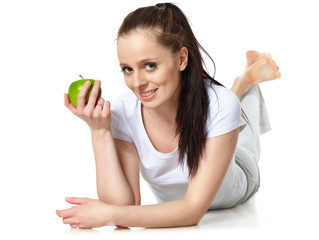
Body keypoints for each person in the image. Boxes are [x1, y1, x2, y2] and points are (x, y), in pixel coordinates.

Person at [56, 3, 281, 229]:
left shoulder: (221, 104)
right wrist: (99, 130)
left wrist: (111, 216)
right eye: (127, 69)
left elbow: (192, 210)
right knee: (222, 108)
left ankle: (244, 86)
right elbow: (123, 205)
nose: (137, 83)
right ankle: (240, 86)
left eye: (150, 65)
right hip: (209, 128)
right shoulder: (124, 111)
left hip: (240, 175)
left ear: (182, 59)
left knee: (239, 125)